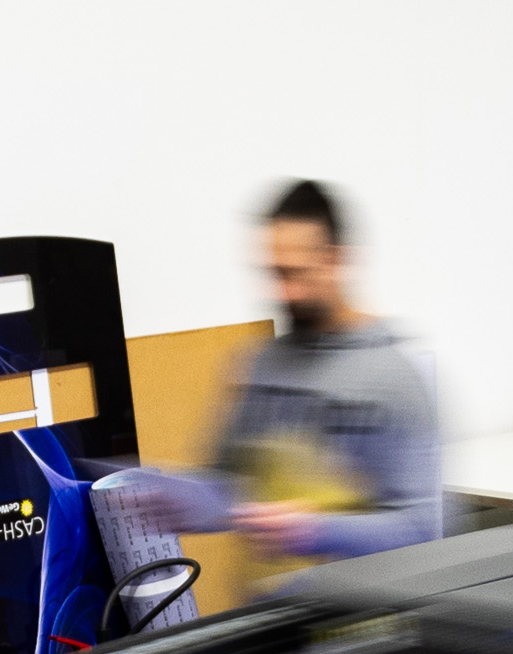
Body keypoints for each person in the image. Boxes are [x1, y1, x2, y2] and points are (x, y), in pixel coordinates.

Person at [91, 178, 446, 628]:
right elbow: (233, 491)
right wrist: (169, 498)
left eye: (297, 273)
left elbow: (421, 531)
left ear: (336, 259)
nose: (285, 292)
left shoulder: (394, 377)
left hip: (368, 636)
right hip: (279, 633)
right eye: (276, 274)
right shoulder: (261, 365)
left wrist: (313, 529)